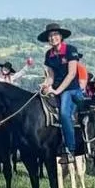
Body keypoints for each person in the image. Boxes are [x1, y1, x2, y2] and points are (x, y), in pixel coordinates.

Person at [39, 23, 85, 157]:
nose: (53, 38)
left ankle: (70, 148)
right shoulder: (49, 54)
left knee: (64, 114)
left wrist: (57, 91)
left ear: (61, 36)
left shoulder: (70, 50)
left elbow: (71, 74)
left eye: (55, 35)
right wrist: (46, 85)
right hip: (56, 88)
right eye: (50, 36)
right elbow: (51, 76)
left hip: (71, 89)